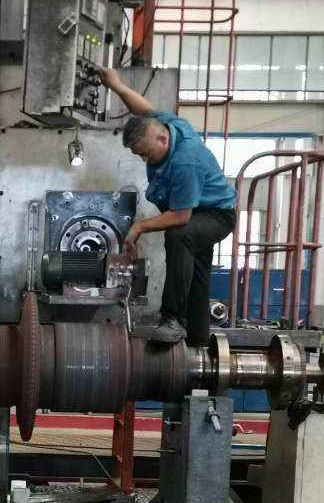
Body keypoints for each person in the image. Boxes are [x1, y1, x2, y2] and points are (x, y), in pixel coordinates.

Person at [101, 67, 237, 345]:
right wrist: (117, 86)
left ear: (162, 140)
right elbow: (143, 109)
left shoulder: (186, 161)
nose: (145, 160)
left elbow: (180, 217)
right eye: (139, 155)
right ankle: (198, 344)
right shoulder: (168, 125)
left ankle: (173, 319)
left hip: (216, 215)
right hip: (198, 211)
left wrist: (139, 227)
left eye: (146, 154)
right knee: (196, 273)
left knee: (180, 235)